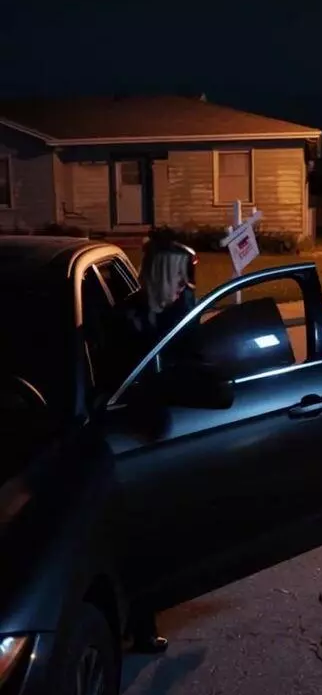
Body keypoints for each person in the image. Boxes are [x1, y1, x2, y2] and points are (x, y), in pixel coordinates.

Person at [124, 231, 197, 655]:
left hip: (168, 433)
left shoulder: (182, 312)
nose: (184, 285)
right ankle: (142, 625)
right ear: (159, 275)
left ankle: (144, 616)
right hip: (138, 438)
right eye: (178, 276)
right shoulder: (129, 319)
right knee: (144, 534)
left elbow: (198, 363)